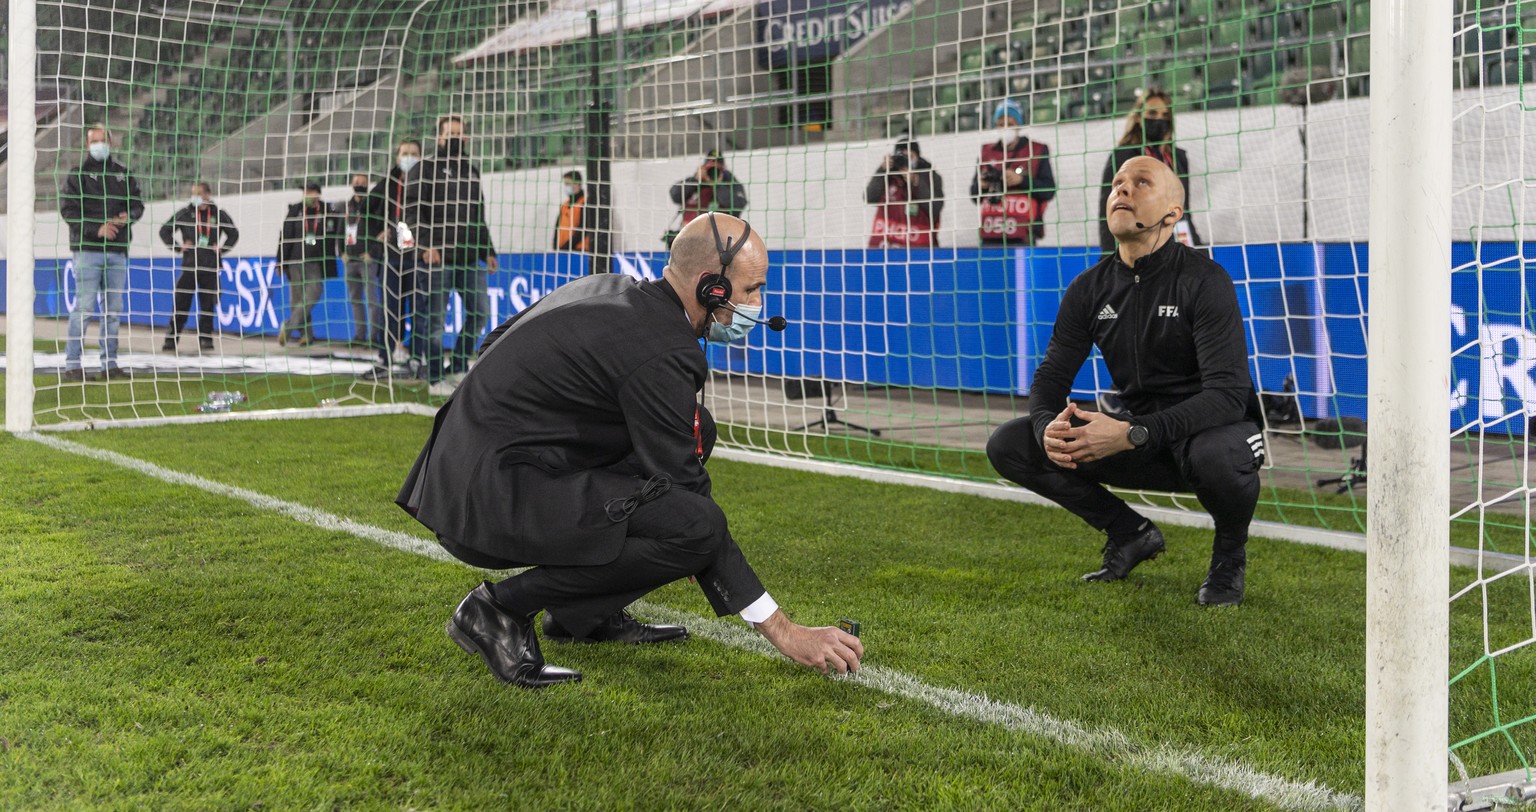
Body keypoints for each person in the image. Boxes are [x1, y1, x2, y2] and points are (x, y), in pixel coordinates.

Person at [398, 213, 863, 688]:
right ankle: (498, 608)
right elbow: (690, 504)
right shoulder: (660, 347)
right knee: (695, 528)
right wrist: (785, 631)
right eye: (751, 290)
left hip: (463, 469)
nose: (758, 304)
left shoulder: (610, 286)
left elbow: (493, 342)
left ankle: (582, 613)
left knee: (697, 430)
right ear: (713, 289)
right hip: (483, 497)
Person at [985, 156, 1263, 606]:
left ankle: (1229, 557)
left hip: (1208, 438)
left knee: (1218, 453)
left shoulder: (1205, 280)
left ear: (1173, 213)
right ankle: (1129, 533)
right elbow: (1050, 379)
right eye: (1117, 183)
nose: (1122, 189)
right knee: (1011, 444)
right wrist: (1046, 430)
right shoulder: (1089, 288)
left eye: (1141, 182)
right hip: (1141, 439)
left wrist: (1133, 432)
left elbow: (1229, 397)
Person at [405, 115, 498, 395]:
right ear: (440, 137)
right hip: (437, 258)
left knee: (480, 313)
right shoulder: (425, 168)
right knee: (435, 320)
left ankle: (457, 366)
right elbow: (411, 211)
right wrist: (424, 246)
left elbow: (477, 216)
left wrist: (488, 250)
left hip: (469, 258)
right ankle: (434, 379)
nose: (456, 138)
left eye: (460, 133)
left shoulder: (471, 171)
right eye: (451, 133)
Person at [59, 124, 144, 382]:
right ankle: (73, 365)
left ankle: (110, 364)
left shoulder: (123, 174)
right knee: (83, 309)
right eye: (94, 141)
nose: (99, 145)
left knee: (114, 310)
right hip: (87, 251)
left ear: (110, 142)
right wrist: (96, 229)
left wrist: (129, 217)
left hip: (117, 250)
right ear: (87, 145)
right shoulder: (77, 176)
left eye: (102, 140)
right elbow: (68, 212)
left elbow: (138, 205)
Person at [1097, 90, 1204, 252]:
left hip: (1175, 241)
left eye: (1165, 115)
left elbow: (1184, 209)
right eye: (1152, 113)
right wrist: (1109, 256)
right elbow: (1108, 213)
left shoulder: (1178, 157)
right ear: (1139, 118)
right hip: (1139, 243)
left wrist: (1196, 247)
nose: (1159, 119)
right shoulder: (1123, 156)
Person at [361, 140, 424, 380]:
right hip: (391, 257)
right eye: (405, 153)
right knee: (390, 310)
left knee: (419, 310)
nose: (409, 157)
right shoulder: (387, 184)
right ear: (397, 158)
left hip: (418, 258)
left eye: (414, 153)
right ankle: (385, 359)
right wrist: (378, 232)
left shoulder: (426, 181)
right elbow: (366, 210)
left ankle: (416, 357)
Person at [158, 181, 238, 353]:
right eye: (193, 193)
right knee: (181, 304)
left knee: (208, 306)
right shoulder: (185, 213)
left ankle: (206, 339)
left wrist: (222, 249)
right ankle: (171, 339)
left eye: (199, 193)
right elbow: (164, 230)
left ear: (207, 195)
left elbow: (234, 234)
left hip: (210, 266)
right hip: (190, 265)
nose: (195, 197)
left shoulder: (218, 213)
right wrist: (178, 247)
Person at [969, 99, 1056, 247]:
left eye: (1010, 124)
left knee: (1021, 270)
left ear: (1018, 125)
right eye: (1001, 124)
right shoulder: (986, 152)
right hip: (990, 233)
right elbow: (974, 195)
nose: (1005, 128)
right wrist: (982, 186)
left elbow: (1049, 190)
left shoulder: (1037, 151)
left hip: (1023, 235)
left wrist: (1021, 180)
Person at [277, 181, 338, 347]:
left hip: (316, 262)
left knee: (312, 296)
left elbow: (337, 231)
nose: (306, 195)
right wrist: (280, 261)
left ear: (318, 193)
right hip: (295, 261)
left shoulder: (328, 211)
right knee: (296, 301)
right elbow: (285, 236)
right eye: (304, 192)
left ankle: (288, 327)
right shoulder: (295, 210)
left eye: (310, 192)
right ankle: (306, 335)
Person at [866, 138, 945, 248]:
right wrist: (882, 171)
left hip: (920, 249)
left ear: (918, 158)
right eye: (903, 157)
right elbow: (869, 197)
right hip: (885, 247)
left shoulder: (930, 176)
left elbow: (935, 208)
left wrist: (916, 182)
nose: (907, 161)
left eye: (910, 157)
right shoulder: (888, 175)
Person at [339, 172, 387, 345]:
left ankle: (374, 337)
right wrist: (341, 252)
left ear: (367, 184)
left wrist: (373, 253)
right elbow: (340, 230)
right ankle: (360, 336)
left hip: (367, 262)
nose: (359, 184)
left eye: (362, 182)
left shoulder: (374, 206)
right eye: (356, 181)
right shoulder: (347, 206)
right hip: (350, 261)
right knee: (355, 300)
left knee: (372, 301)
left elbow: (383, 233)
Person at [669, 149, 748, 226]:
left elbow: (739, 205)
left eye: (717, 169)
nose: (713, 172)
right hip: (689, 232)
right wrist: (695, 180)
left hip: (720, 235)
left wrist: (718, 185)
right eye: (710, 168)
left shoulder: (730, 182)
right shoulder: (695, 181)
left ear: (723, 169)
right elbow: (675, 196)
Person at [552, 170, 593, 252]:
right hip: (563, 251)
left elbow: (583, 229)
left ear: (577, 184)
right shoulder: (564, 205)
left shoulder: (585, 203)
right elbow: (557, 228)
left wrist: (566, 246)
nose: (565, 187)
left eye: (567, 184)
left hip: (579, 250)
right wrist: (556, 246)